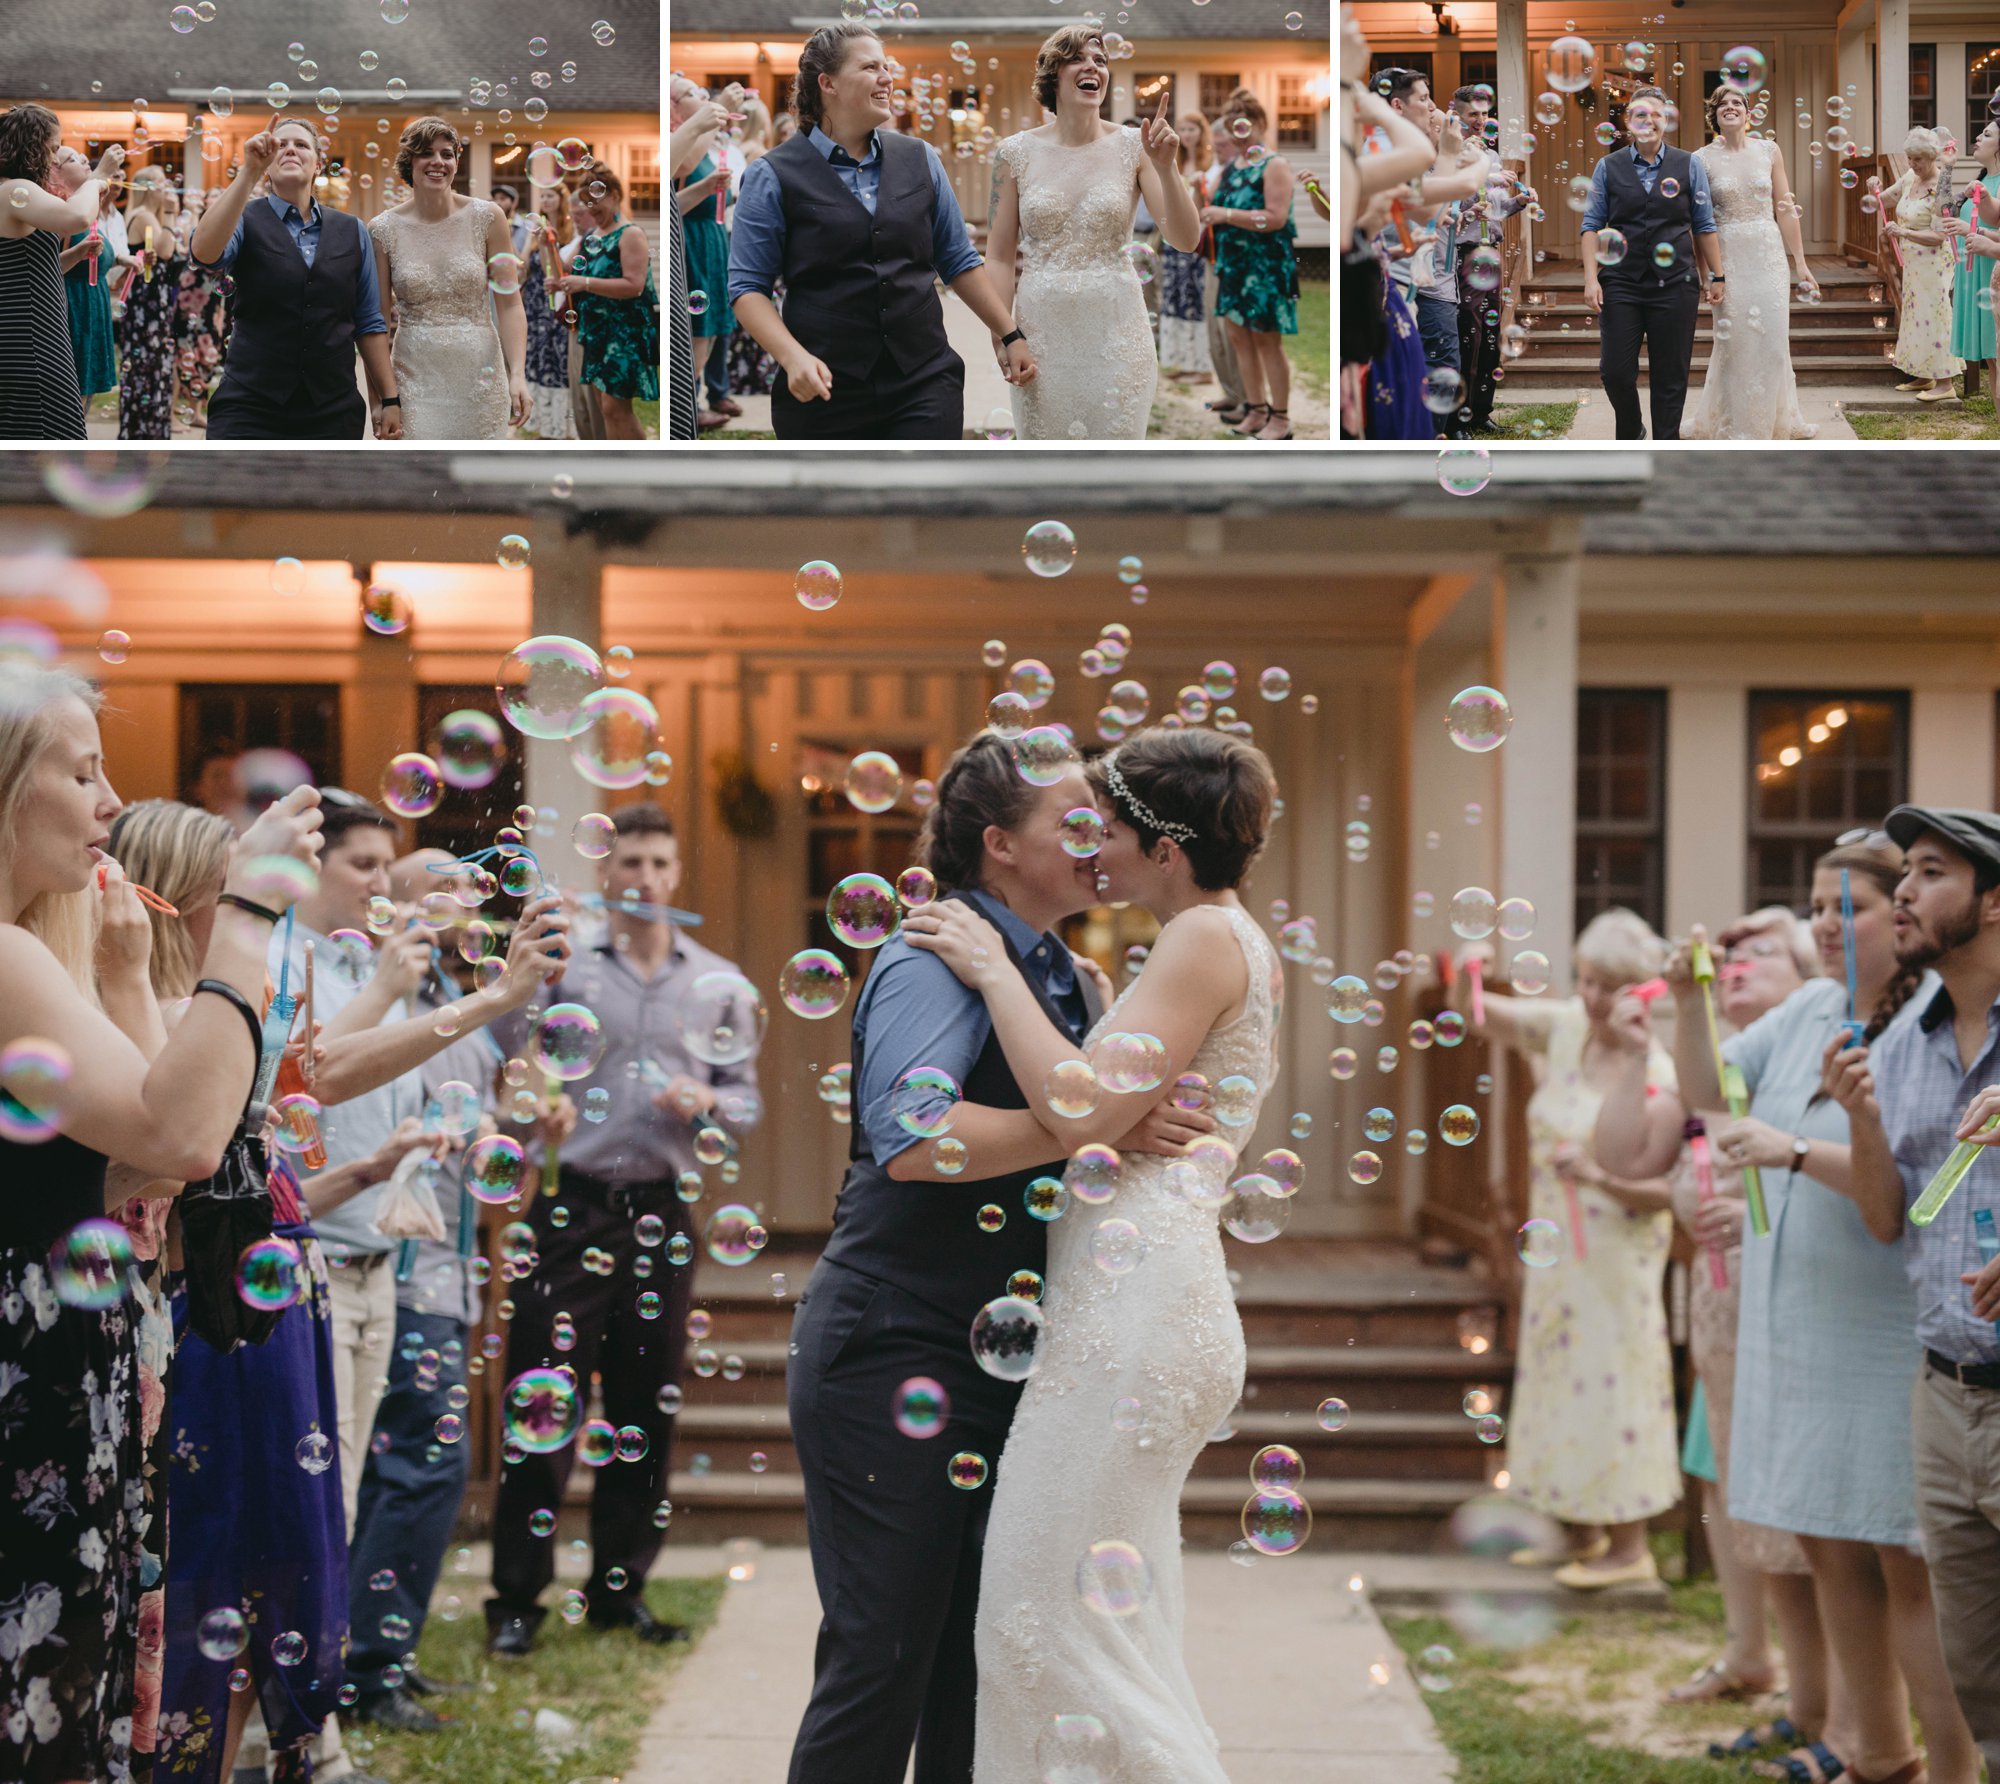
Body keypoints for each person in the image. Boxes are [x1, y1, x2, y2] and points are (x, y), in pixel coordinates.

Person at [785, 730, 1207, 1780]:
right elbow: (916, 1138)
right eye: (1068, 822)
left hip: (1006, 1353)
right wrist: (1087, 1125)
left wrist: (1127, 1122)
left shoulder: (1068, 974)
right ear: (997, 845)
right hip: (891, 1346)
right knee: (881, 1655)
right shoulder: (935, 950)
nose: (1096, 839)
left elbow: (1109, 1133)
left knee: (977, 1668)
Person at [900, 730, 1279, 1779]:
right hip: (1142, 1307)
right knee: (1099, 1626)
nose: (1086, 845)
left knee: (1045, 1621)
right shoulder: (1217, 938)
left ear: (1160, 847)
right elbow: (1116, 1102)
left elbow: (1078, 1108)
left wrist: (988, 965)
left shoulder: (1201, 939)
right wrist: (1085, 995)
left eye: (1099, 827)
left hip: (1131, 1320)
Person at [0, 662, 323, 1784]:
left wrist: (134, 968)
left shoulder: (35, 950)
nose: (109, 802)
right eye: (81, 770)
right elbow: (184, 1134)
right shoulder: (1, 956)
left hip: (54, 1387)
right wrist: (246, 915)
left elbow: (143, 1164)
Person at [1640, 844, 1972, 1784]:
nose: (1827, 923)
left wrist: (1792, 1150)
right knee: (1831, 1552)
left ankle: (1947, 1772)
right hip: (1798, 1327)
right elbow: (1708, 1091)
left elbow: (1918, 1188)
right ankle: (1880, 1757)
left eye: (1852, 906)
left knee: (1906, 1566)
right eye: (1820, 907)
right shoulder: (1808, 1011)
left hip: (1883, 1331)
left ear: (1902, 921)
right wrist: (1688, 1001)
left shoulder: (1929, 1027)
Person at [484, 805, 756, 1655]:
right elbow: (506, 1059)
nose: (642, 876)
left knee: (645, 1409)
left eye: (658, 861)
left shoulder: (719, 984)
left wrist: (706, 1100)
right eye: (629, 860)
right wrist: (537, 1101)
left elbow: (742, 1099)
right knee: (543, 1399)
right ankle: (517, 1602)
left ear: (678, 875)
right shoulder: (565, 969)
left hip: (662, 1212)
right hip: (569, 1206)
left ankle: (619, 1591)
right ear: (609, 873)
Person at [274, 794, 571, 1539]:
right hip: (311, 1257)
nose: (379, 886)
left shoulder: (373, 972)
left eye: (385, 866)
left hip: (384, 1257)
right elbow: (308, 1079)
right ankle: (353, 1656)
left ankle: (365, 1657)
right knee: (331, 1494)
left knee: (362, 1487)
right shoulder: (285, 964)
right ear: (309, 869)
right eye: (364, 865)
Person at [343, 850, 575, 1732]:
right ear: (385, 904)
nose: (460, 897)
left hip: (444, 1264)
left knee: (422, 1469)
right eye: (433, 884)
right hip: (390, 1260)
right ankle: (368, 1666)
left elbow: (482, 1156)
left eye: (464, 885)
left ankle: (381, 1657)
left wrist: (522, 1127)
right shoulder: (385, 996)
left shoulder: (461, 999)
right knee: (419, 1465)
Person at [1834, 806, 2000, 1780]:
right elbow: (1885, 1217)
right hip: (1940, 1394)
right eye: (1901, 871)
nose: (1900, 889)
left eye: (1930, 871)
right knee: (1976, 1670)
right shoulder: (1902, 1042)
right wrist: (1859, 1118)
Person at [1450, 909, 1684, 1589]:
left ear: (1642, 991)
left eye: (1608, 985)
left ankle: (1627, 1544)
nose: (1590, 996)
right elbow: (1476, 1014)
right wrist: (1470, 962)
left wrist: (1600, 1176)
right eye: (1584, 979)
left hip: (1617, 1252)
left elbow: (1669, 1188)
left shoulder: (1657, 1072)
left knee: (1614, 1383)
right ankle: (1578, 1530)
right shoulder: (1564, 1029)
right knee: (1558, 1380)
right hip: (1556, 1250)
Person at [728, 22, 1037, 441]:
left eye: (887, 67)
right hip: (823, 390)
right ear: (828, 83)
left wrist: (1010, 333)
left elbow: (959, 260)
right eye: (871, 67)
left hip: (924, 379)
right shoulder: (770, 175)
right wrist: (793, 358)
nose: (888, 77)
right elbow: (747, 287)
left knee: (922, 501)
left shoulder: (921, 158)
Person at [985, 31, 1200, 441]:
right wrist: (1003, 336)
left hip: (1118, 336)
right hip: (1041, 338)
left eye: (1100, 60)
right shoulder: (1012, 153)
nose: (1093, 67)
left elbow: (1186, 240)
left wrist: (1168, 169)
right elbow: (998, 257)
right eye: (1077, 59)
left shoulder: (1134, 147)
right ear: (1053, 76)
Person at [190, 120, 400, 440]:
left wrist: (389, 399)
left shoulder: (353, 229)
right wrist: (248, 172)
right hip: (249, 405)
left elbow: (369, 321)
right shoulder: (243, 219)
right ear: (268, 166)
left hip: (333, 407)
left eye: (301, 145)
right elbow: (203, 253)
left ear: (318, 165)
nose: (290, 149)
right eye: (280, 145)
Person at [367, 118, 529, 438]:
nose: (438, 162)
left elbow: (510, 305)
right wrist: (381, 400)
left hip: (481, 376)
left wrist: (518, 375)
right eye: (426, 153)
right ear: (409, 161)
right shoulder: (382, 229)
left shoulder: (488, 217)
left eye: (447, 154)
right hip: (414, 380)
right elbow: (377, 322)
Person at [1581, 86, 1724, 440]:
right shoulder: (1607, 166)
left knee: (1670, 374)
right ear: (1629, 122)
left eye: (1657, 114)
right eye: (1641, 114)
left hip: (1676, 283)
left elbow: (1704, 224)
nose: (1649, 120)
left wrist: (1717, 275)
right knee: (1615, 372)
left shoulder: (1689, 164)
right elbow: (1591, 226)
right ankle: (1631, 432)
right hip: (1621, 281)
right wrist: (1590, 279)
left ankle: (1666, 445)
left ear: (1666, 121)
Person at [1682, 86, 1820, 440]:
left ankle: (1779, 420)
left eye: (1737, 103)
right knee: (1735, 342)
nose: (1730, 107)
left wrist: (1800, 263)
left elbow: (1785, 208)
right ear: (1714, 115)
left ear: (1748, 113)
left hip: (1768, 253)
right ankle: (1733, 424)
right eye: (1722, 104)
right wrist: (1706, 273)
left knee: (1773, 341)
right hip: (1727, 259)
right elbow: (1700, 222)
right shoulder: (1700, 159)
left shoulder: (1768, 151)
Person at [0, 107, 119, 438]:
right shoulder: (12, 191)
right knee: (47, 437)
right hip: (30, 341)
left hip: (36, 335)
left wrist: (73, 255)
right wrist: (97, 180)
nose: (53, 160)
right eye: (53, 148)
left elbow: (25, 270)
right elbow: (76, 217)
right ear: (32, 146)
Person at [1207, 89, 1301, 440]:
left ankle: (1280, 418)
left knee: (1266, 342)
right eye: (1231, 128)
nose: (1235, 134)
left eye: (1241, 126)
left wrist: (1226, 214)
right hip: (1233, 265)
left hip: (1265, 268)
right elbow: (1209, 199)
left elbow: (1275, 218)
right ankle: (1255, 408)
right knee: (1239, 338)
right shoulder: (1232, 167)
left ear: (1260, 123)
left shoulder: (1274, 164)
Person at [552, 161, 657, 440]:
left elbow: (634, 285)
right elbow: (582, 278)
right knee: (604, 408)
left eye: (595, 201)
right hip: (596, 331)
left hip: (623, 332)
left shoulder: (631, 234)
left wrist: (584, 282)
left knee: (615, 407)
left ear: (614, 195)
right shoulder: (593, 237)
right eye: (586, 203)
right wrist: (563, 283)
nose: (591, 209)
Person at [1874, 127, 1963, 402]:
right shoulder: (1910, 176)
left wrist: (1904, 233)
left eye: (1918, 160)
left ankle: (1945, 382)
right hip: (1914, 263)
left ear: (1932, 157)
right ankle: (1924, 375)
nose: (1912, 164)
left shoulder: (1941, 187)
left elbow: (1938, 237)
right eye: (1909, 158)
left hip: (1934, 263)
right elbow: (1886, 199)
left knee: (1935, 317)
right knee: (1916, 317)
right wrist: (1874, 188)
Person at [671, 76, 736, 429]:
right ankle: (687, 406)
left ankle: (691, 403)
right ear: (674, 107)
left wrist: (711, 186)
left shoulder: (701, 141)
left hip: (712, 238)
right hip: (691, 241)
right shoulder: (681, 145)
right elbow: (674, 200)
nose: (702, 95)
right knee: (696, 328)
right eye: (692, 93)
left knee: (709, 327)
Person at [118, 168, 190, 440]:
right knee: (149, 366)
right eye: (162, 182)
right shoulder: (144, 216)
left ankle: (148, 427)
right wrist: (171, 213)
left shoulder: (146, 215)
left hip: (151, 303)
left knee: (154, 364)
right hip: (145, 307)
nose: (168, 187)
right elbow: (166, 250)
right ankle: (145, 431)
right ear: (148, 188)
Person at [56, 149, 120, 424]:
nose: (83, 158)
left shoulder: (87, 205)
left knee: (85, 398)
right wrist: (100, 175)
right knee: (69, 400)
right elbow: (48, 266)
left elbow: (98, 253)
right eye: (71, 159)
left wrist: (123, 259)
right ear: (54, 174)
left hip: (94, 306)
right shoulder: (60, 210)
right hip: (73, 308)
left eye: (82, 155)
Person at [1157, 113, 1214, 382]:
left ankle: (1202, 367)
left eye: (1192, 129)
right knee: (1176, 299)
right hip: (1173, 242)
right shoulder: (1174, 161)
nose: (1187, 134)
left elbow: (1204, 206)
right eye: (1183, 129)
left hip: (1200, 241)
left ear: (1202, 132)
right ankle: (1183, 362)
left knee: (1195, 301)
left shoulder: (1210, 162)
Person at [1948, 121, 2000, 402]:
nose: (1978, 137)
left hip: (1992, 274)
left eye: (1988, 134)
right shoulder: (1979, 181)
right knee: (1994, 364)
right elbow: (1942, 212)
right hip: (1974, 276)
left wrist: (1971, 231)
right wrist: (1946, 166)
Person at [521, 183, 577, 439]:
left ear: (561, 199)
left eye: (550, 195)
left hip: (556, 302)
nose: (545, 199)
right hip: (535, 302)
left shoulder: (569, 230)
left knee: (558, 361)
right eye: (542, 195)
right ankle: (543, 425)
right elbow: (524, 267)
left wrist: (547, 244)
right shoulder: (536, 231)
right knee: (539, 358)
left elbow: (554, 271)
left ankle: (562, 426)